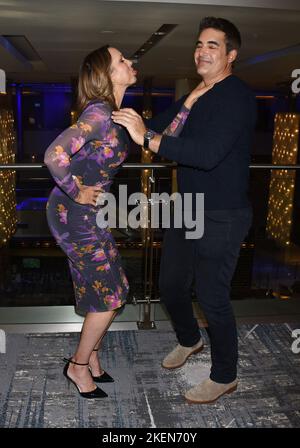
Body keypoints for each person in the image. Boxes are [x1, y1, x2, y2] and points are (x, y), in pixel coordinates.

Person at [112, 17, 257, 404]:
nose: (202, 51)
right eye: (199, 44)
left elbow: (207, 155)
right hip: (186, 208)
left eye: (212, 45)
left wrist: (151, 138)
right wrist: (122, 112)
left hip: (222, 214)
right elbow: (158, 127)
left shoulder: (237, 97)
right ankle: (190, 340)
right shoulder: (198, 94)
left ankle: (225, 376)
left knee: (212, 297)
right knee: (172, 287)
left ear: (231, 55)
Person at [44, 45, 200, 399]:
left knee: (106, 289)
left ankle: (93, 357)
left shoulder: (117, 114)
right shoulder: (99, 113)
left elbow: (162, 141)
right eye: (122, 61)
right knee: (111, 294)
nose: (131, 64)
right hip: (74, 214)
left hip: (88, 215)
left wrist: (188, 104)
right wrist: (76, 190)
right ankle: (78, 366)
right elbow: (53, 155)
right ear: (107, 75)